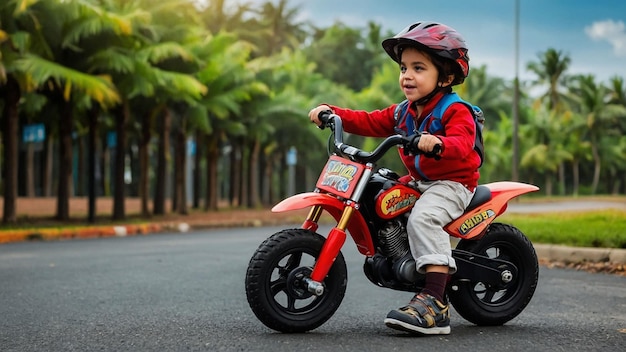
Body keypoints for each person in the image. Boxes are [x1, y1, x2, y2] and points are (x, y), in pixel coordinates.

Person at [308, 21, 481, 335]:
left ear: (447, 76)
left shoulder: (456, 111)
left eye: (418, 68)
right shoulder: (403, 112)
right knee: (381, 196)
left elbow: (462, 143)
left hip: (453, 184)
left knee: (424, 219)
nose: (408, 76)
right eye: (404, 68)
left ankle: (435, 304)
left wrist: (437, 142)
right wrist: (332, 112)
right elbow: (369, 120)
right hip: (419, 181)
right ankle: (401, 258)